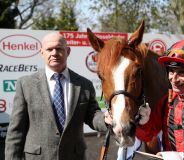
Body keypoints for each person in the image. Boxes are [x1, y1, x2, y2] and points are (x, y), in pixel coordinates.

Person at [5, 32, 108, 160]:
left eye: (59, 48)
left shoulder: (84, 84)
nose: (54, 53)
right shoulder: (25, 84)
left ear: (68, 51)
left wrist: (105, 119)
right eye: (49, 49)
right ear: (42, 52)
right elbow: (16, 131)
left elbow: (92, 115)